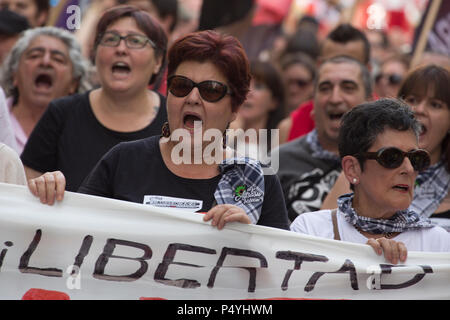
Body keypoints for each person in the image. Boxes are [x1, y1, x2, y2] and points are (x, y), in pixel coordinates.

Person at [27, 30, 290, 231]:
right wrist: (51, 197)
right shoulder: (124, 159)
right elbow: (73, 232)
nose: (193, 98)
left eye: (210, 90)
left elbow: (281, 276)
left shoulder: (257, 178)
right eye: (181, 86)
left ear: (234, 108)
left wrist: (249, 240)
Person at [20, 5, 168, 192]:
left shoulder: (172, 121)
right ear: (94, 53)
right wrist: (43, 185)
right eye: (110, 39)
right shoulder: (61, 113)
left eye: (135, 41)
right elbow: (26, 188)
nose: (121, 49)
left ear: (158, 61)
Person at [291, 99, 450, 260]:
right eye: (391, 157)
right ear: (352, 168)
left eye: (416, 158)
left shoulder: (439, 244)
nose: (409, 169)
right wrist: (362, 261)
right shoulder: (311, 231)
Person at [322, 65, 450, 232]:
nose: (419, 110)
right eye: (412, 100)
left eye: (435, 105)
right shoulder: (360, 171)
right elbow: (324, 237)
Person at [273, 55, 372, 222]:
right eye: (325, 88)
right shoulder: (277, 162)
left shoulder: (383, 165)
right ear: (313, 104)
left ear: (369, 102)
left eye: (348, 88)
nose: (334, 98)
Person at [0, 26, 91, 154]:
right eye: (34, 56)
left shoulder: (86, 131)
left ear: (74, 83)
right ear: (14, 74)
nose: (45, 62)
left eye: (58, 59)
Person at [278, 23, 372, 144]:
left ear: (368, 70)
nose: (335, 99)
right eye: (333, 62)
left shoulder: (384, 129)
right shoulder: (291, 127)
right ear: (319, 66)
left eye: (350, 63)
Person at [229, 59, 286, 159]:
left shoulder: (280, 145)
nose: (248, 92)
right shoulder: (217, 134)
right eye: (244, 85)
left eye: (258, 87)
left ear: (274, 102)